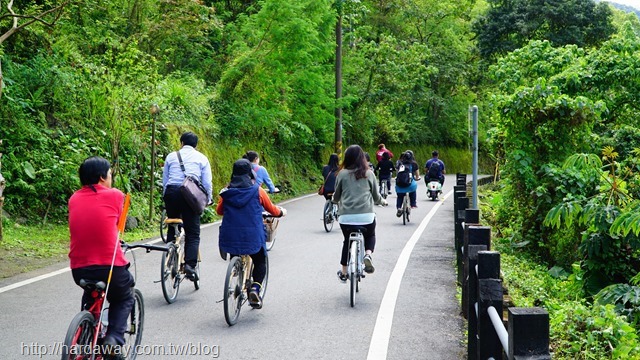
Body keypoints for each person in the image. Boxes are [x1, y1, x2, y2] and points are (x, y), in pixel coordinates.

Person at [68, 156, 132, 358]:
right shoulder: (116, 195)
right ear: (102, 177)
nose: (111, 178)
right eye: (110, 174)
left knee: (91, 292)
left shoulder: (74, 198)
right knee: (124, 295)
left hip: (78, 269)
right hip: (110, 265)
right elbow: (113, 226)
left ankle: (85, 334)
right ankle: (113, 339)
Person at [216, 159, 286, 309]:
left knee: (235, 253)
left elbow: (219, 211)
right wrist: (281, 212)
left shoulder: (227, 191)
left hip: (231, 234)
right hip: (252, 235)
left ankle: (236, 271)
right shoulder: (257, 190)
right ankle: (254, 289)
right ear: (250, 173)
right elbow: (272, 209)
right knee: (260, 260)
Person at [332, 145, 387, 282]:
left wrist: (334, 200)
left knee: (347, 242)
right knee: (371, 234)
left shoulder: (342, 174)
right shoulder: (369, 174)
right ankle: (368, 254)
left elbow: (337, 196)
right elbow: (376, 196)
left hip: (346, 218)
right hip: (366, 217)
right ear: (362, 158)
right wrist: (383, 202)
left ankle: (344, 272)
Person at [162, 131, 213, 280]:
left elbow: (165, 181)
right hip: (190, 194)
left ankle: (170, 252)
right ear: (196, 145)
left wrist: (167, 197)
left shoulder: (171, 156)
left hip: (171, 193)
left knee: (173, 224)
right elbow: (207, 183)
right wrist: (207, 199)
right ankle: (190, 266)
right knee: (192, 232)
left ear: (181, 143)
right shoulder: (202, 158)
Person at [395, 150, 421, 216]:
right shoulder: (414, 163)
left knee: (400, 196)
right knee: (413, 189)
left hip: (400, 184)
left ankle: (398, 208)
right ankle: (413, 204)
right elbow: (417, 175)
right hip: (410, 184)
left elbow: (397, 173)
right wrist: (417, 178)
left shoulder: (400, 163)